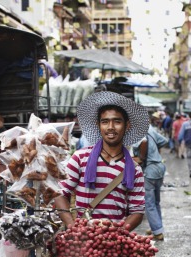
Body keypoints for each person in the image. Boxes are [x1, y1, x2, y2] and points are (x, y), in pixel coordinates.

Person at [54, 90, 150, 231]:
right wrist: (72, 226)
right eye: (105, 122)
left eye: (117, 121)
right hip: (84, 237)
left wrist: (116, 235)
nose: (110, 127)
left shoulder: (134, 170)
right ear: (98, 125)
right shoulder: (80, 158)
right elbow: (60, 194)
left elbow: (137, 211)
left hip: (114, 239)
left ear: (127, 125)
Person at [133, 125, 168, 241]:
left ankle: (157, 232)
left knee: (149, 203)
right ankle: (157, 227)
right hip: (160, 167)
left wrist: (142, 157)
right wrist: (154, 150)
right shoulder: (150, 129)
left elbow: (143, 141)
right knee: (156, 201)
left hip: (150, 169)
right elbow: (164, 140)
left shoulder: (138, 130)